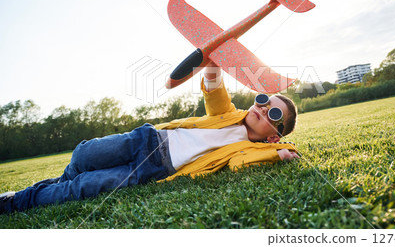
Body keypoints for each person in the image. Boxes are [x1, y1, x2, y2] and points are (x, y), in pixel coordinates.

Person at [0, 65, 299, 214]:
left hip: (153, 170)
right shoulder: (228, 113)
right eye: (263, 100)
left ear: (274, 135)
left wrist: (278, 154)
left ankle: (14, 203)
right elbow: (215, 90)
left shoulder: (248, 149)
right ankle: (39, 190)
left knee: (80, 188)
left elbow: (240, 163)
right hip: (146, 140)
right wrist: (212, 66)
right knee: (82, 157)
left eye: (273, 112)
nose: (262, 108)